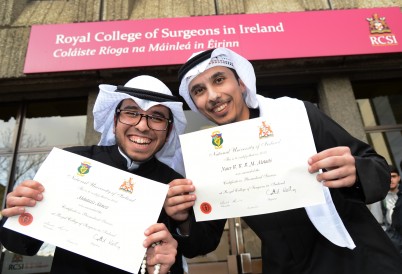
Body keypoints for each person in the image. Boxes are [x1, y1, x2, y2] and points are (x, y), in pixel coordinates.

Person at [173, 47, 402, 274]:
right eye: (199, 90)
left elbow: (379, 170)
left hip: (356, 258)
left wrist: (357, 171)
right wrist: (183, 220)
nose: (213, 96)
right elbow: (202, 242)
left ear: (241, 84)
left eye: (220, 79)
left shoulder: (297, 115)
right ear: (196, 104)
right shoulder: (212, 157)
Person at [0, 75, 223, 274]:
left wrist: (182, 221)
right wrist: (19, 212)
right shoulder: (71, 164)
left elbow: (200, 246)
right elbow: (19, 245)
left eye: (156, 117)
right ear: (115, 120)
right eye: (131, 113)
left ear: (169, 130)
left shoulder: (176, 184)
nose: (143, 126)